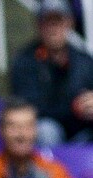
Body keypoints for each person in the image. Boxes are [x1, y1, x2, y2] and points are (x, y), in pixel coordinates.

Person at [10, 0, 93, 147]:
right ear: (39, 25)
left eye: (58, 21)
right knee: (47, 130)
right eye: (48, 22)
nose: (53, 28)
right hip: (47, 130)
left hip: (82, 129)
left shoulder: (84, 60)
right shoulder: (24, 61)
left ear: (69, 23)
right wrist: (74, 108)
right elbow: (27, 106)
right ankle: (49, 169)